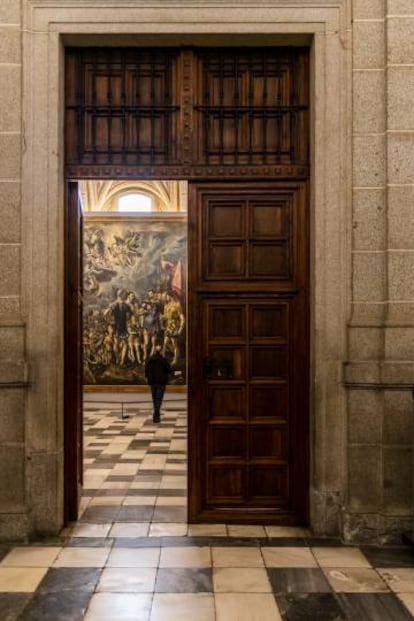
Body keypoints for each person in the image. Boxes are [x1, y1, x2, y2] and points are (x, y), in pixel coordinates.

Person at [144, 345, 171, 423]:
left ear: (154, 351)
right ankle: (156, 416)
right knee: (158, 399)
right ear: (161, 351)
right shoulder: (164, 360)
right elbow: (169, 370)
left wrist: (149, 378)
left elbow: (146, 371)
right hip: (161, 382)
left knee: (155, 399)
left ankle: (156, 415)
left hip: (152, 382)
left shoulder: (149, 360)